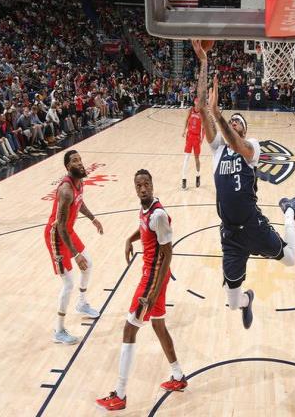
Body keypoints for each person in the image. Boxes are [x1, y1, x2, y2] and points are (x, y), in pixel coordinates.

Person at [192, 39, 295, 329]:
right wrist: (204, 62)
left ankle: (289, 211)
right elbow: (201, 107)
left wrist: (219, 114)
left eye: (238, 121)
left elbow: (236, 141)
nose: (235, 122)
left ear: (245, 129)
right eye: (232, 120)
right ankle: (247, 300)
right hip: (230, 233)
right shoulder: (217, 149)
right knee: (232, 302)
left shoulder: (251, 147)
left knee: (290, 259)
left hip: (252, 224)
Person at [96, 170, 187, 411]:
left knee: (129, 330)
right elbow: (145, 229)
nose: (143, 188)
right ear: (135, 188)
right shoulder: (146, 210)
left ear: (152, 185)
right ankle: (178, 376)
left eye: (146, 184)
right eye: (139, 185)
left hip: (152, 278)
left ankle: (120, 394)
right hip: (153, 276)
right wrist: (130, 239)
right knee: (158, 325)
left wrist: (153, 293)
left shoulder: (158, 215)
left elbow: (168, 254)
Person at [44, 150, 103, 345]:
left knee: (89, 264)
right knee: (68, 284)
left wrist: (93, 218)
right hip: (56, 235)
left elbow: (80, 202)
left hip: (68, 231)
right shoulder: (66, 190)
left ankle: (82, 303)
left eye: (80, 159)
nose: (80, 163)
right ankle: (59, 331)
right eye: (75, 161)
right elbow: (60, 226)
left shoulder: (79, 181)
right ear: (68, 166)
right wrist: (76, 254)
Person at [181, 98, 204, 189]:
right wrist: (184, 130)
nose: (197, 105)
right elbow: (186, 120)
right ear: (194, 103)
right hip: (189, 136)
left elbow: (204, 128)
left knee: (196, 158)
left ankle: (198, 175)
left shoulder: (202, 113)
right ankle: (184, 179)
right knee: (186, 158)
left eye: (199, 103)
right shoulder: (190, 110)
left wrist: (202, 138)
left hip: (197, 138)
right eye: (196, 103)